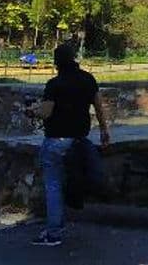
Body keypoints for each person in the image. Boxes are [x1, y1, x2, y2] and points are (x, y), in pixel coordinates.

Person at [27, 42, 111, 247]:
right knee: (69, 180)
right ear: (74, 59)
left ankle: (54, 232)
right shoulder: (88, 79)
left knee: (54, 185)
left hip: (57, 139)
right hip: (79, 140)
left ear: (57, 62)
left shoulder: (55, 84)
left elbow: (46, 112)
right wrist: (104, 130)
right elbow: (99, 107)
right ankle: (59, 222)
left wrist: (31, 111)